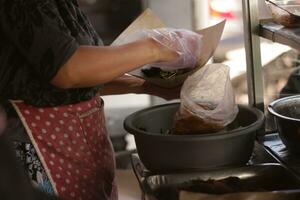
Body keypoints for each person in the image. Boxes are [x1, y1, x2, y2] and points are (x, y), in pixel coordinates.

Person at [0, 0, 202, 199]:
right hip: (38, 149)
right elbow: (69, 70)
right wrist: (158, 47)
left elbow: (83, 77)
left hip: (80, 154)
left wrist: (147, 85)